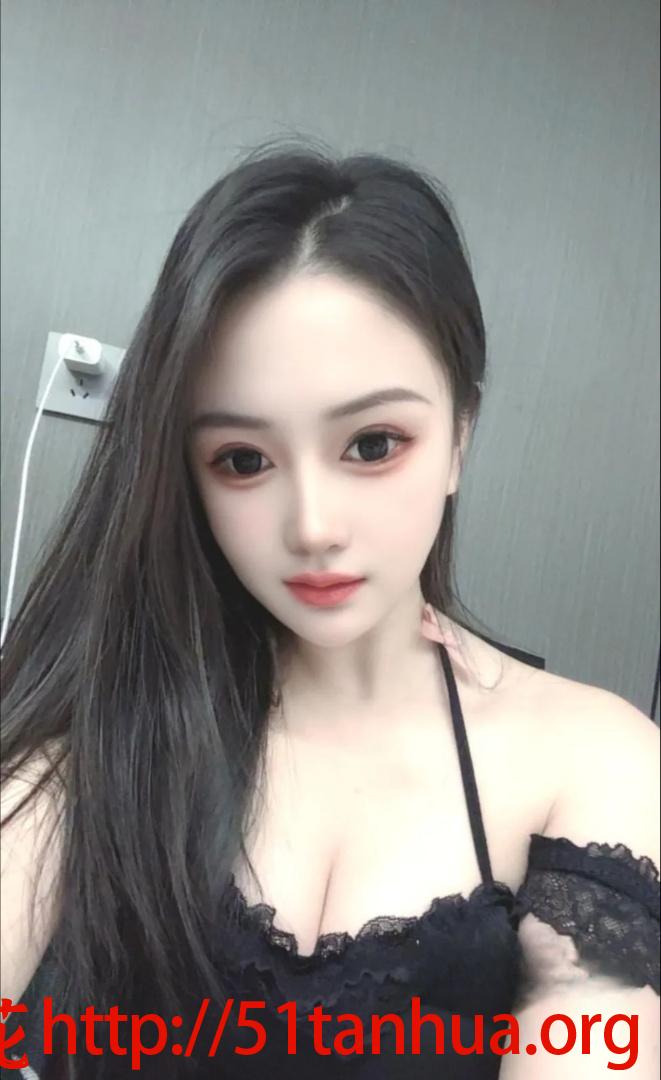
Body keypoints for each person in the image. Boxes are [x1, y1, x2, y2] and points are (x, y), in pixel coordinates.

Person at [1, 138, 659, 1079]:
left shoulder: (592, 757)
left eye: (372, 444)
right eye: (242, 460)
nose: (311, 527)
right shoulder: (105, 723)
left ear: (459, 433)